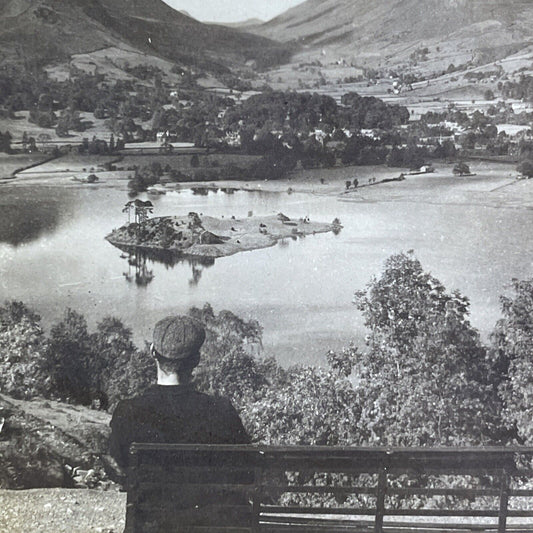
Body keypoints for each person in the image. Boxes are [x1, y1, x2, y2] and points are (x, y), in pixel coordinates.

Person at [109, 315, 250, 470]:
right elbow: (244, 464)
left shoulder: (127, 411)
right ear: (196, 359)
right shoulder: (222, 411)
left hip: (152, 495)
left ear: (153, 352)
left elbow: (121, 464)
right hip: (205, 495)